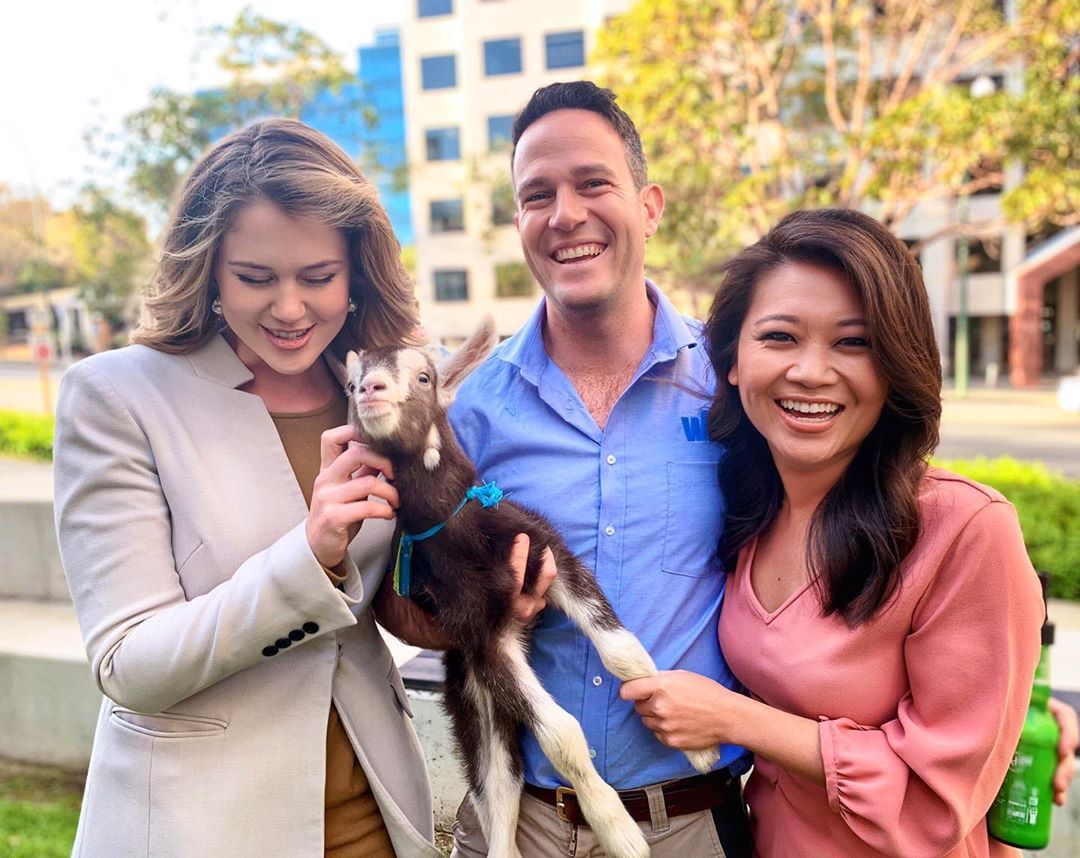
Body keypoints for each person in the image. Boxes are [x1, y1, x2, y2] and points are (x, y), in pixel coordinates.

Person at [53, 118, 449, 857]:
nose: (290, 309)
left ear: (358, 273)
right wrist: (308, 555)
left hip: (373, 817)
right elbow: (127, 665)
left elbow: (379, 605)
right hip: (200, 825)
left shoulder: (377, 388)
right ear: (208, 271)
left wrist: (480, 602)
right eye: (255, 278)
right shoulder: (117, 397)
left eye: (318, 277)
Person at [621, 208, 1046, 857]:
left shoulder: (963, 529)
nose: (811, 372)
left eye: (853, 343)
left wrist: (736, 719)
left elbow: (939, 796)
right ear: (731, 360)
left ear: (895, 364)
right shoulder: (745, 509)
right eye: (780, 337)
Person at [447, 81, 753, 857]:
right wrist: (480, 603)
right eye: (537, 195)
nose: (565, 215)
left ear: (649, 207)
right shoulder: (474, 411)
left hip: (690, 825)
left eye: (593, 183)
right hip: (520, 823)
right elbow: (416, 593)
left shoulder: (735, 383)